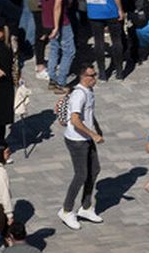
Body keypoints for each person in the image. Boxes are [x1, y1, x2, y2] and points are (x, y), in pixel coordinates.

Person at [57, 65, 105, 232]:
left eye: (95, 74)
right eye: (92, 75)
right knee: (81, 175)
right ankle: (66, 210)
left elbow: (89, 113)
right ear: (83, 77)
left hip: (87, 138)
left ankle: (86, 207)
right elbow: (75, 120)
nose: (95, 78)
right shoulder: (79, 94)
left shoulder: (89, 91)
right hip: (77, 140)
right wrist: (93, 135)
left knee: (95, 169)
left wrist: (97, 128)